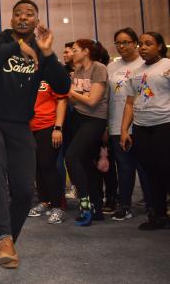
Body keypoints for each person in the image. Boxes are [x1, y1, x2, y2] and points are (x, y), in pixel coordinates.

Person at [0, 0, 70, 269]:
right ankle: (3, 236)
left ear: (37, 21)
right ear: (12, 19)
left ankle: (7, 242)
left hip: (19, 124)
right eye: (18, 14)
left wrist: (48, 54)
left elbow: (63, 85)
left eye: (30, 14)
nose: (23, 17)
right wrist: (16, 46)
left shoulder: (42, 51)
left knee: (26, 191)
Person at [121, 32, 170, 231]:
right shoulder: (135, 71)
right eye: (140, 44)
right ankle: (158, 215)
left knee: (166, 170)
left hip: (165, 123)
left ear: (159, 46)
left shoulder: (167, 65)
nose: (142, 47)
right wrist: (124, 130)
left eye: (148, 44)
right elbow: (130, 102)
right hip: (141, 127)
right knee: (151, 172)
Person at [65, 39, 109, 226]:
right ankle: (96, 207)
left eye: (75, 50)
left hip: (95, 120)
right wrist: (71, 94)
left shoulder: (99, 68)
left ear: (86, 51)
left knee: (71, 158)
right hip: (78, 118)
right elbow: (75, 101)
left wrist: (69, 90)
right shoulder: (78, 71)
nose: (71, 53)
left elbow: (92, 101)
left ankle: (85, 203)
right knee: (85, 163)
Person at [107, 28, 147, 221]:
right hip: (116, 123)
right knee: (124, 167)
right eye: (118, 43)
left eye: (126, 42)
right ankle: (124, 205)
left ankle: (154, 205)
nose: (122, 46)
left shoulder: (145, 64)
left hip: (142, 123)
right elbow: (106, 98)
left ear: (135, 43)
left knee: (146, 167)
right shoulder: (111, 67)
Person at [27, 80, 68, 224]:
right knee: (37, 165)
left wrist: (58, 128)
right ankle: (44, 201)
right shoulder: (26, 73)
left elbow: (62, 100)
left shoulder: (50, 75)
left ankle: (58, 206)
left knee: (48, 165)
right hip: (29, 127)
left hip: (48, 125)